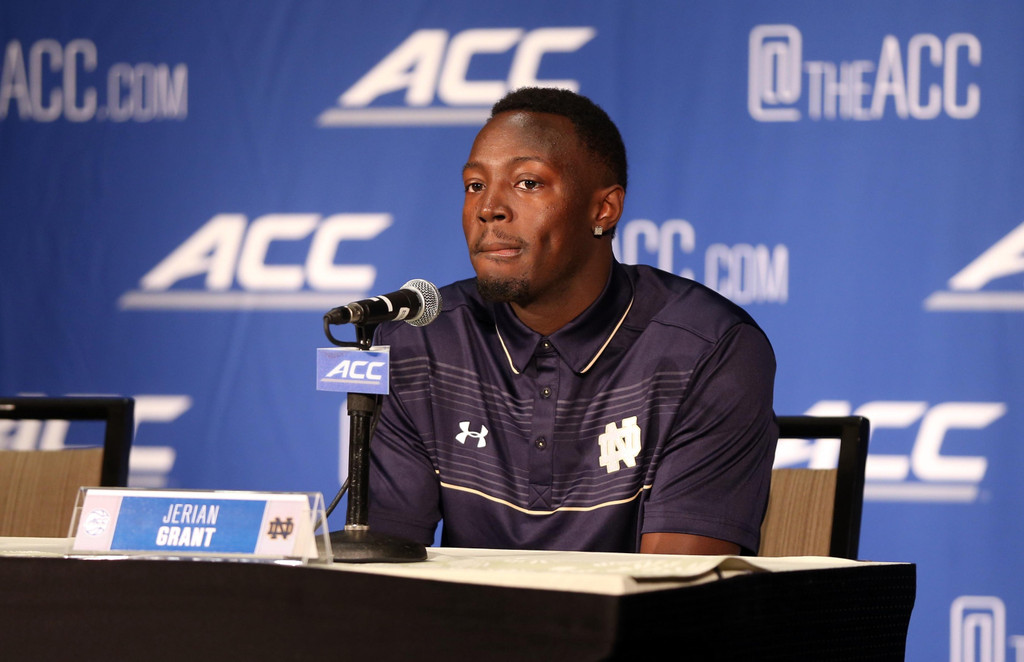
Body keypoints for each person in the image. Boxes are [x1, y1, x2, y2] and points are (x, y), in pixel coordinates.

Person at [368, 87, 778, 555]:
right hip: (465, 627)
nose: (488, 209)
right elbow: (385, 568)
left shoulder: (708, 349)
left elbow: (680, 597)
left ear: (604, 210)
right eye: (475, 185)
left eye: (528, 183)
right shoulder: (420, 340)